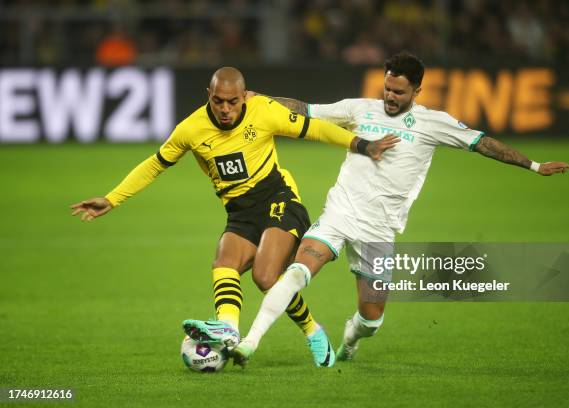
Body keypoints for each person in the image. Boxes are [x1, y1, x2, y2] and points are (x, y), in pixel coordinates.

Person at [221, 51, 569, 367]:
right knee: (298, 271)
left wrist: (533, 165)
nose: (390, 97)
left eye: (399, 92)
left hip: (379, 230)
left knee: (371, 319)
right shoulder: (360, 109)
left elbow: (483, 144)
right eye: (387, 89)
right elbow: (307, 109)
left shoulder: (433, 123)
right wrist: (261, 99)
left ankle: (350, 339)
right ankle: (250, 344)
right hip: (340, 213)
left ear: (417, 92)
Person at [70, 67, 398, 367]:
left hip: (278, 199)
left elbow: (316, 130)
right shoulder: (191, 128)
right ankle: (230, 329)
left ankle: (312, 331)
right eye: (218, 101)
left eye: (232, 102)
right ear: (208, 95)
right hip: (239, 211)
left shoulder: (264, 112)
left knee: (265, 277)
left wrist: (361, 144)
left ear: (244, 96)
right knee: (223, 263)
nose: (225, 109)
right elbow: (156, 163)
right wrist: (112, 199)